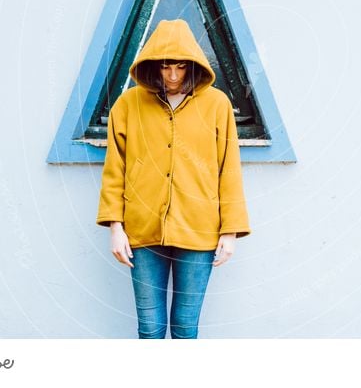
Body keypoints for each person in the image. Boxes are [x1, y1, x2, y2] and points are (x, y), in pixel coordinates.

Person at [96, 18, 251, 339]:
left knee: (185, 327)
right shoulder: (128, 105)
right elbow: (115, 169)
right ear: (154, 66)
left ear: (193, 66)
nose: (173, 76)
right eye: (166, 66)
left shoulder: (217, 104)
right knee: (150, 329)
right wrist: (115, 227)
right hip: (142, 231)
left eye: (181, 67)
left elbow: (229, 168)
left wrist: (231, 231)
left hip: (199, 229)